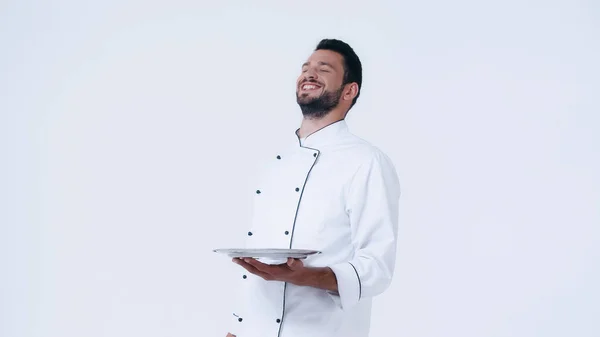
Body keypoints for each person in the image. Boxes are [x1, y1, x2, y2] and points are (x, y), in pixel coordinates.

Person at [224, 38, 401, 337]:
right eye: (305, 67)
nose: (309, 73)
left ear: (349, 90)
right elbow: (259, 265)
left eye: (324, 68)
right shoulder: (276, 164)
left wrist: (307, 276)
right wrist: (237, 329)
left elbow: (377, 268)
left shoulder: (367, 162)